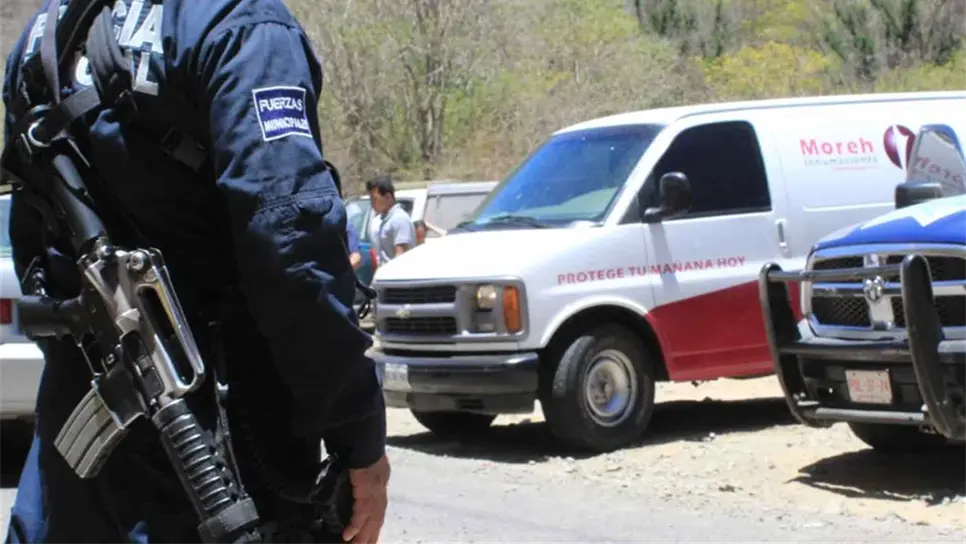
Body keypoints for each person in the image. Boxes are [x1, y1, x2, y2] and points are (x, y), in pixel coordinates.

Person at [1, 0, 389, 543]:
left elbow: (33, 251)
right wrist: (358, 435)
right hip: (218, 446)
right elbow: (290, 246)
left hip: (78, 437)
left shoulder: (41, 36)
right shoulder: (239, 22)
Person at [365, 175, 416, 265]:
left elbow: (400, 256)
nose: (371, 203)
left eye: (374, 199)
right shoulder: (384, 221)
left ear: (388, 197)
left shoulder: (399, 219)